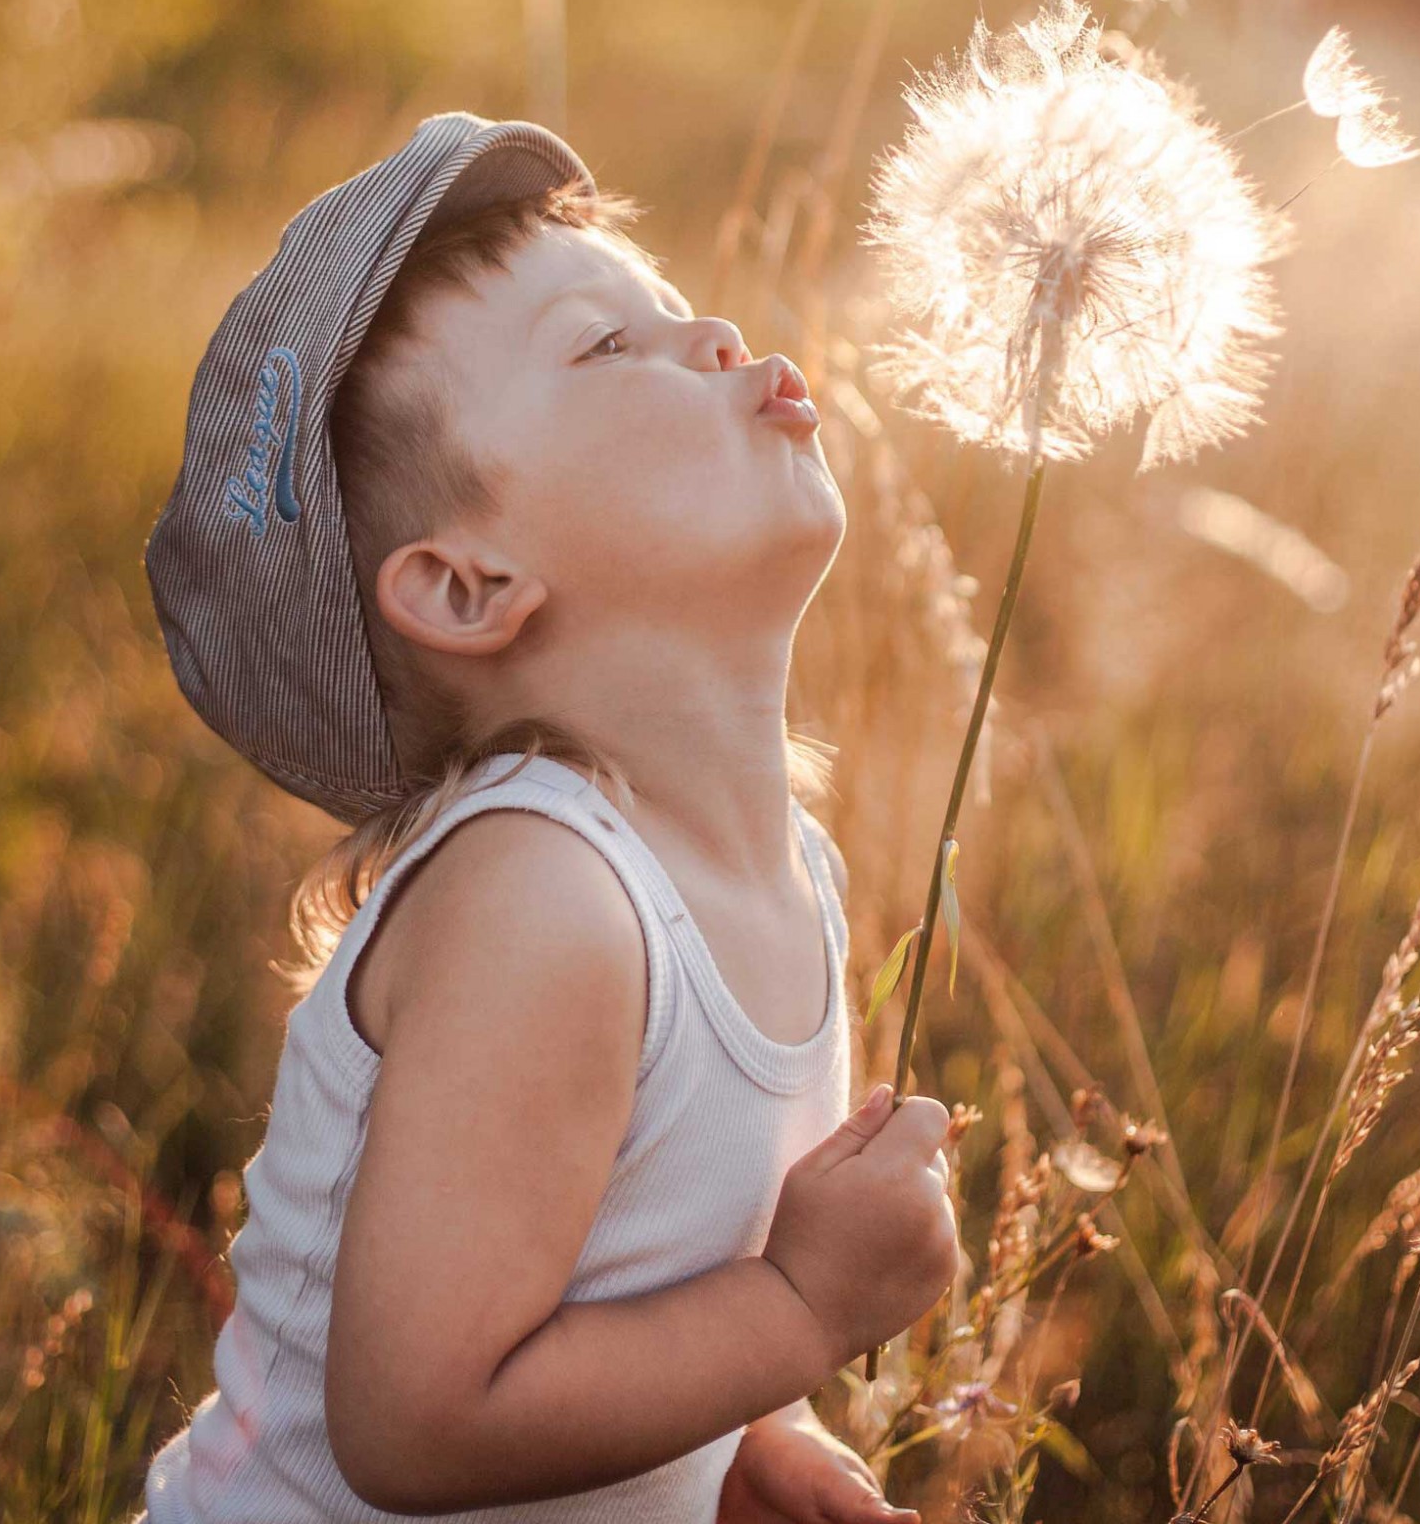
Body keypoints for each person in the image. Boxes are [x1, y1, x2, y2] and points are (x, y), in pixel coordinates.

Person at [140, 112, 959, 1523]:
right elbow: (419, 1422)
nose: (708, 330)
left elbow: (636, 1271)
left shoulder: (787, 869)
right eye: (604, 347)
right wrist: (804, 1312)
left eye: (662, 308)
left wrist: (748, 1434)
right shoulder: (542, 902)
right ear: (468, 585)